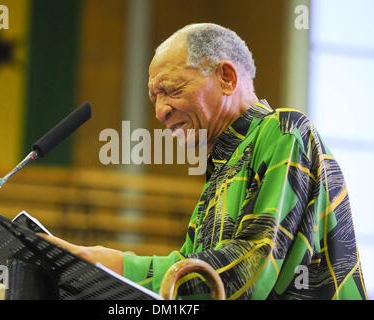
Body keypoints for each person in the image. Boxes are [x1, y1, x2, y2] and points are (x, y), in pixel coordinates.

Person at [41, 23, 367, 300]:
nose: (160, 112)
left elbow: (251, 268)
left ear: (226, 77)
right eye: (155, 97)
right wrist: (101, 261)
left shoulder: (284, 130)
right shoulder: (222, 166)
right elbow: (190, 264)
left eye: (171, 90)